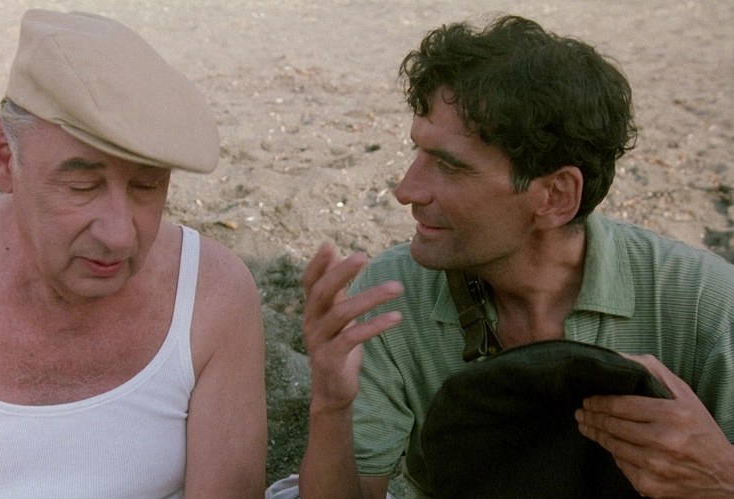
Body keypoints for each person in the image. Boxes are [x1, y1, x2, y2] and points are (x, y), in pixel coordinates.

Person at [295, 15, 734, 499]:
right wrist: (331, 407)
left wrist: (722, 476)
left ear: (555, 196)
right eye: (418, 152)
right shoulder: (388, 302)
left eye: (449, 165)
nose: (405, 190)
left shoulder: (704, 305)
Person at [0, 9, 266, 498]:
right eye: (82, 186)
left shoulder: (212, 294)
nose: (119, 236)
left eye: (147, 186)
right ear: (4, 156)